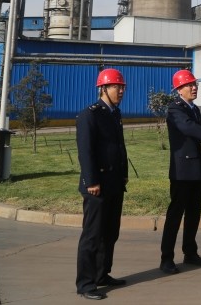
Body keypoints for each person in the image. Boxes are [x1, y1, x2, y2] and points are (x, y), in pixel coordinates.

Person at [159, 69, 201, 275]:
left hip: (197, 167)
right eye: (189, 85)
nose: (194, 88)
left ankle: (190, 252)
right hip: (181, 171)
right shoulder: (174, 109)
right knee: (175, 215)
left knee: (194, 213)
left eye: (194, 84)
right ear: (179, 89)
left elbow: (197, 132)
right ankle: (166, 258)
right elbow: (188, 128)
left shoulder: (195, 109)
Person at [75, 68, 129, 300]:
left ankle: (102, 274)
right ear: (103, 89)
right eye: (117, 87)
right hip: (97, 185)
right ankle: (86, 284)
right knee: (92, 235)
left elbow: (119, 147)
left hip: (115, 182)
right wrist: (92, 181)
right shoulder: (90, 114)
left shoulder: (114, 113)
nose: (121, 91)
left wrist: (124, 175)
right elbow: (85, 151)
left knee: (110, 233)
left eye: (122, 87)